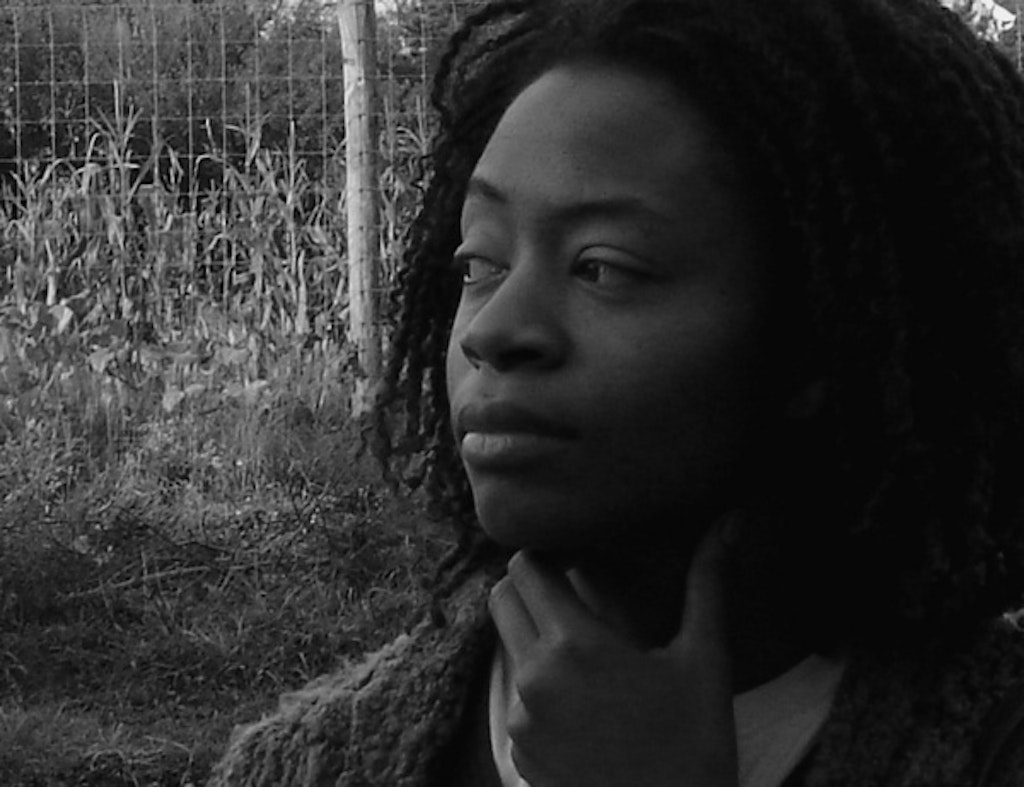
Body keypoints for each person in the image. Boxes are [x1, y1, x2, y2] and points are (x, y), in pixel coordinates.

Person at [207, 0, 1024, 784]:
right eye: (481, 263)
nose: (494, 331)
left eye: (602, 267)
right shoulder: (304, 764)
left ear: (824, 332)